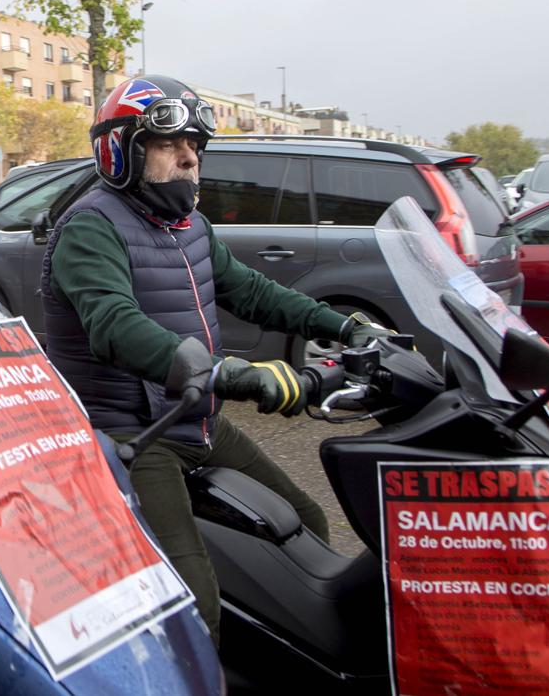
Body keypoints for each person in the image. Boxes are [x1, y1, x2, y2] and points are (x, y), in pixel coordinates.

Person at [39, 75, 390, 646]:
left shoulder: (188, 226)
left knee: (304, 526)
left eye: (196, 147)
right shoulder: (91, 228)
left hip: (197, 420)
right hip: (133, 434)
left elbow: (255, 292)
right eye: (170, 145)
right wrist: (235, 374)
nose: (189, 158)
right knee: (192, 606)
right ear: (122, 149)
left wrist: (348, 327)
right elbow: (115, 327)